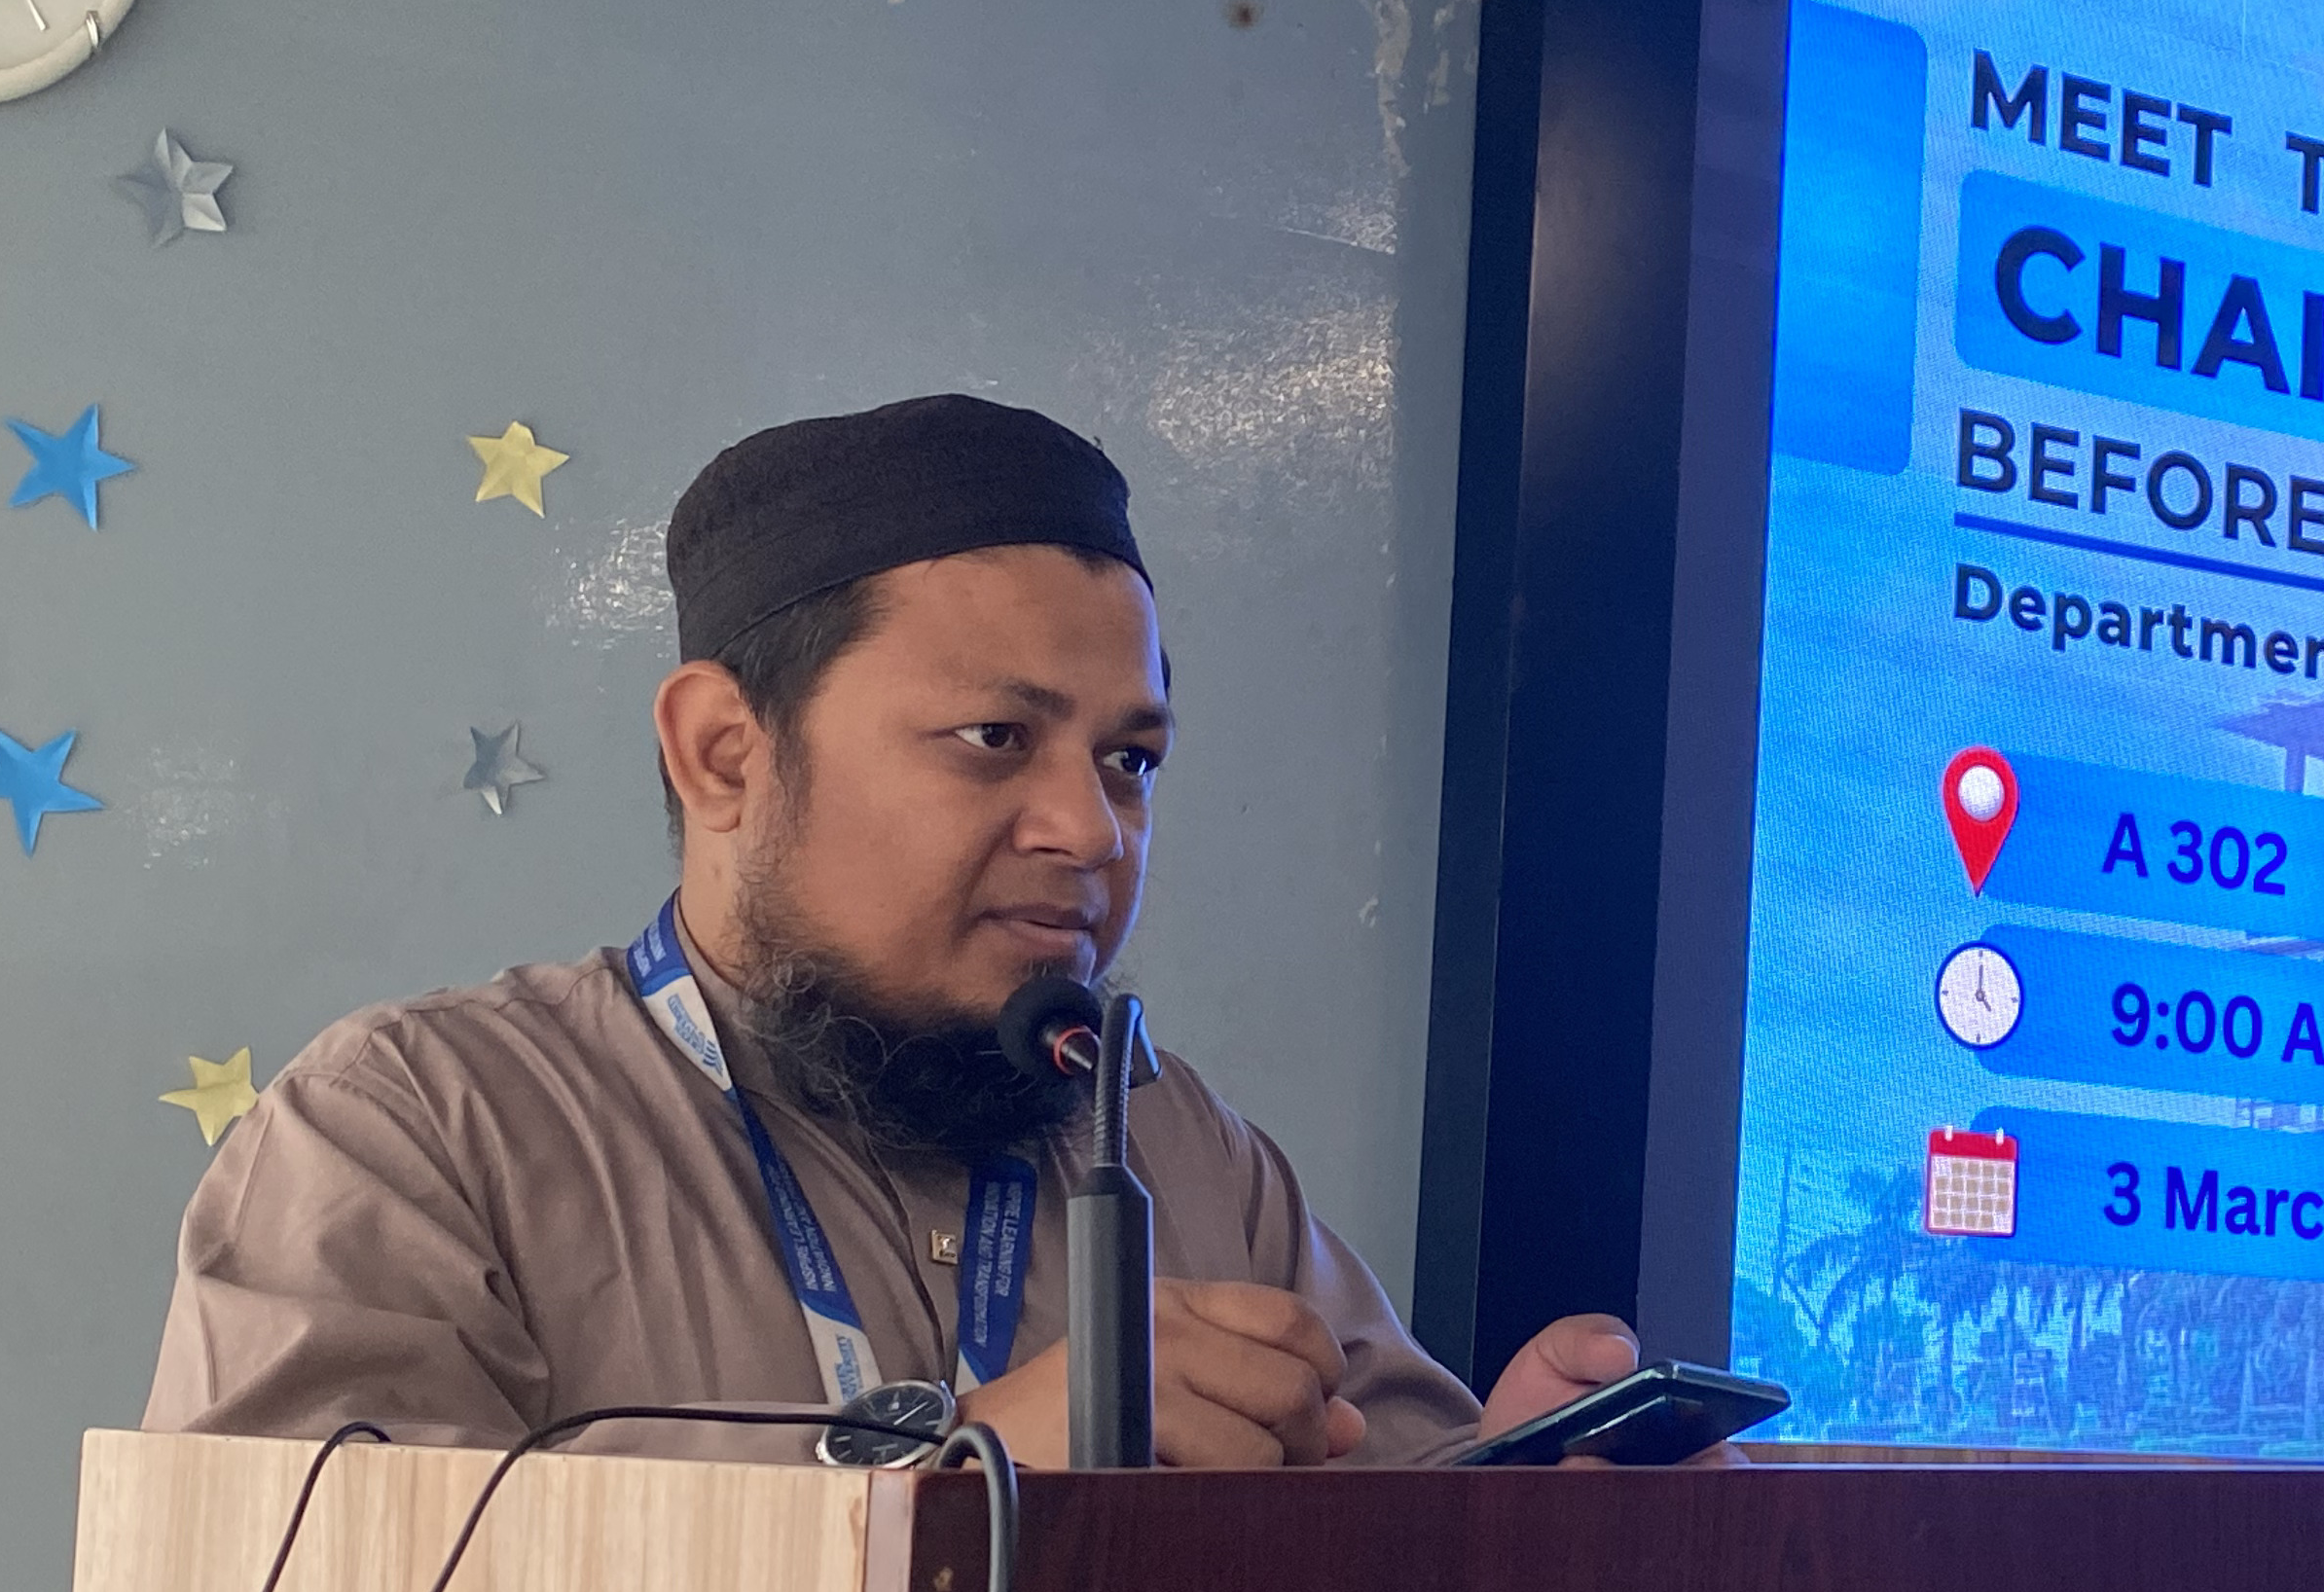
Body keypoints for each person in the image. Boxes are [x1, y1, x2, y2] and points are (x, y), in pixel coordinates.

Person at [145, 394, 1636, 1466]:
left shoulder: (1181, 1153)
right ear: (725, 755)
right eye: (996, 739)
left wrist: (1519, 1504)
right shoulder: (417, 1130)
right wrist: (950, 1466)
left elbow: (1394, 1554)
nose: (1092, 830)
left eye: (1130, 760)